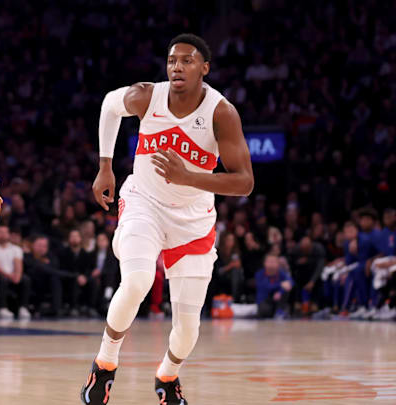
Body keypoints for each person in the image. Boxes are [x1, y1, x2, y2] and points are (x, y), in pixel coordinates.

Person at [81, 33, 254, 405]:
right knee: (138, 280)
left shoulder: (221, 113)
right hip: (143, 202)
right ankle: (104, 363)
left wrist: (188, 177)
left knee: (188, 327)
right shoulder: (147, 95)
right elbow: (110, 107)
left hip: (193, 220)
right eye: (173, 60)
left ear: (204, 69)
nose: (178, 67)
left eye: (188, 61)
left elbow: (244, 183)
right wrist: (105, 166)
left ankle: (167, 376)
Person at [0, 224, 32, 320]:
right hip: (2, 274)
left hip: (14, 275)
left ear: (9, 234)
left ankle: (23, 307)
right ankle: (2, 308)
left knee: (25, 279)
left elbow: (18, 264)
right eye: (0, 232)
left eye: (5, 232)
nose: (3, 235)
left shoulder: (16, 249)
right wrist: (10, 276)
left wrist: (17, 276)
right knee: (1, 279)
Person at [255, 253, 293, 318]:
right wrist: (280, 284)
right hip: (264, 300)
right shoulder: (259, 274)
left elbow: (290, 282)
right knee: (264, 311)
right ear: (264, 263)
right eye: (269, 261)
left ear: (278, 264)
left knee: (286, 289)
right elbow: (267, 287)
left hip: (277, 299)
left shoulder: (281, 273)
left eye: (273, 262)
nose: (271, 264)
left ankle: (280, 311)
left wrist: (280, 292)